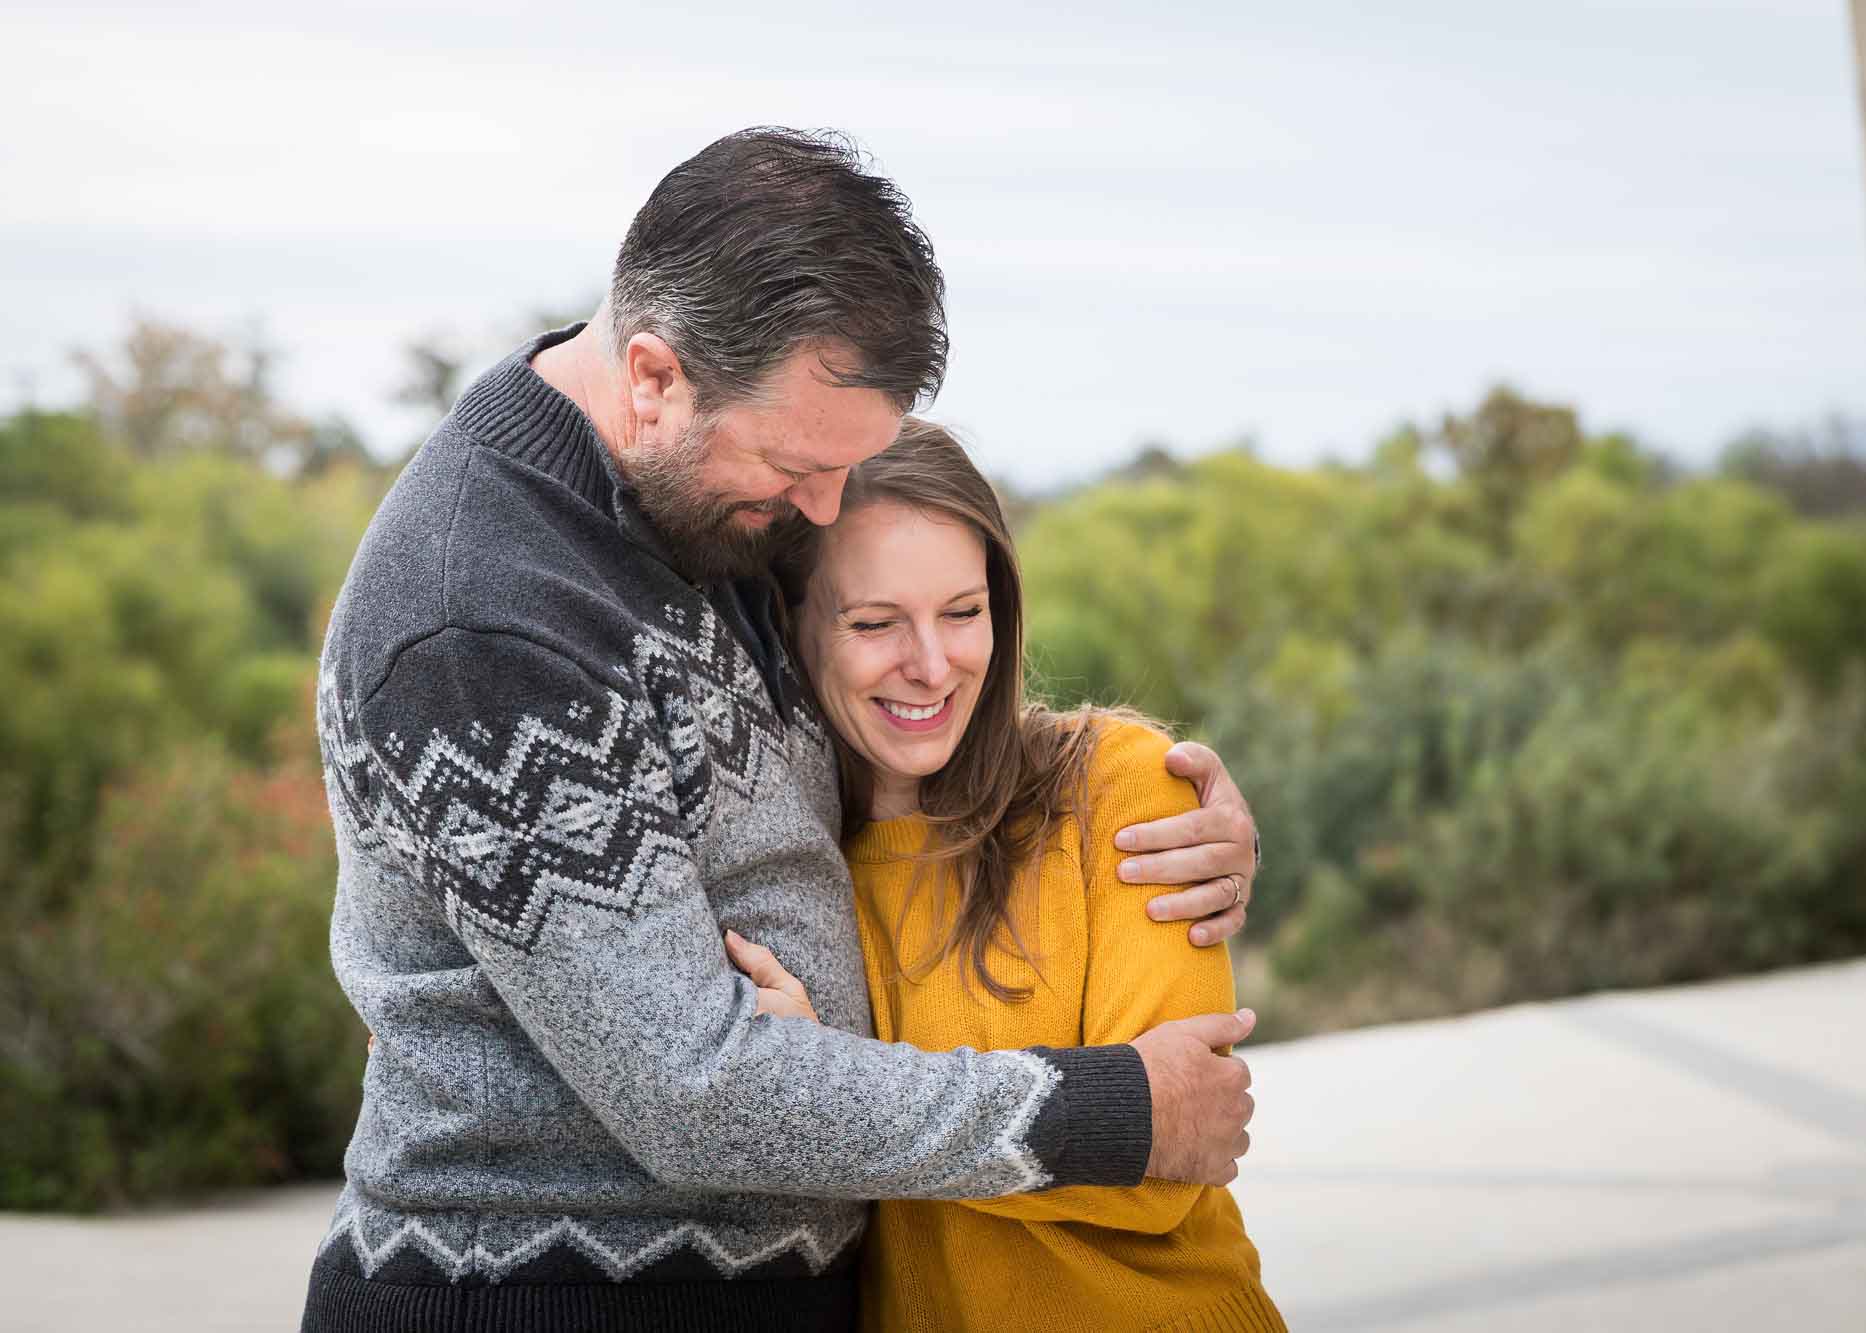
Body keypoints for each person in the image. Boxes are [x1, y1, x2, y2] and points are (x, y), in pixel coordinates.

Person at [305, 127, 1260, 1333]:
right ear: (650, 375)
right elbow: (692, 1091)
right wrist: (1114, 1111)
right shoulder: (480, 618)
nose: (821, 509)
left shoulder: (698, 495)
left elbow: (891, 699)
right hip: (544, 1301)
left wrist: (1135, 792)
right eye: (797, 467)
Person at [729, 419, 1286, 1332]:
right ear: (793, 625)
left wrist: (829, 1088)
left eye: (962, 610)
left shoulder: (1121, 786)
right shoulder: (781, 867)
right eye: (875, 622)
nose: (933, 663)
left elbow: (1164, 1160)